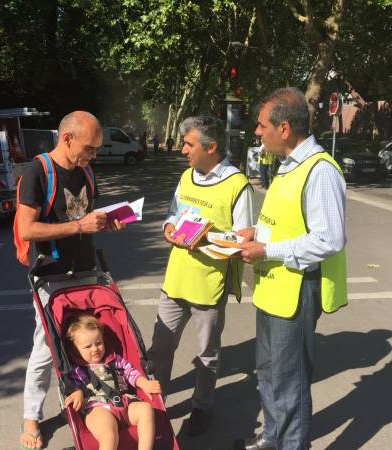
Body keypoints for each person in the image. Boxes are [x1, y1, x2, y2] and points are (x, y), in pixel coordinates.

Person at [235, 88, 348, 450]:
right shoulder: (288, 164)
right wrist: (257, 233)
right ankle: (273, 437)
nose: (257, 131)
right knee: (268, 371)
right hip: (274, 286)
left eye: (261, 125)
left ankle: (291, 445)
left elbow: (329, 239)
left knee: (289, 379)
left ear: (284, 128)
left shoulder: (320, 170)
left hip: (297, 289)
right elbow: (288, 222)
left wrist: (267, 250)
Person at [17, 111, 125, 449]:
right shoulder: (38, 172)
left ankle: (86, 397)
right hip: (50, 277)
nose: (94, 155)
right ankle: (31, 418)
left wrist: (106, 222)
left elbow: (84, 216)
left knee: (86, 341)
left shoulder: (86, 171)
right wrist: (80, 226)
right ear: (67, 138)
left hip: (86, 274)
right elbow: (27, 229)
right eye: (90, 148)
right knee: (46, 348)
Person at [148, 116, 255, 436]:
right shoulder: (186, 176)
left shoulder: (237, 184)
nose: (183, 150)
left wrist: (204, 239)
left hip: (209, 284)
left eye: (188, 144)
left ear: (211, 147)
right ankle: (155, 405)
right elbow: (172, 215)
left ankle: (202, 406)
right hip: (175, 280)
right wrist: (170, 229)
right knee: (160, 349)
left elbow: (244, 241)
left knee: (207, 354)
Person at [63, 313, 161, 450]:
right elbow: (71, 385)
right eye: (88, 346)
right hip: (96, 408)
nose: (95, 349)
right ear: (75, 350)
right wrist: (77, 391)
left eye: (98, 343)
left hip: (123, 402)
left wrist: (143, 383)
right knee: (108, 434)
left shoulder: (114, 359)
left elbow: (130, 372)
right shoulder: (78, 369)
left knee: (146, 409)